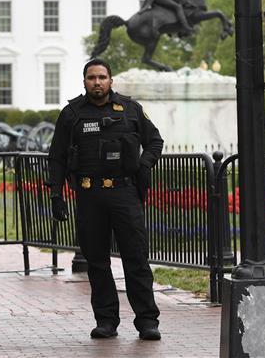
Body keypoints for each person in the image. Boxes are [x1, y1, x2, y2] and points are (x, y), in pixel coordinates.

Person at [48, 58, 164, 341]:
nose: (96, 82)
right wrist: (56, 193)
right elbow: (57, 157)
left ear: (111, 81)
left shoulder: (130, 109)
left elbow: (155, 141)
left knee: (135, 259)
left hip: (125, 194)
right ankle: (106, 320)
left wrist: (144, 165)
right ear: (84, 81)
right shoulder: (72, 113)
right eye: (91, 78)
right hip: (90, 195)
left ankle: (147, 320)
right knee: (97, 262)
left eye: (102, 77)